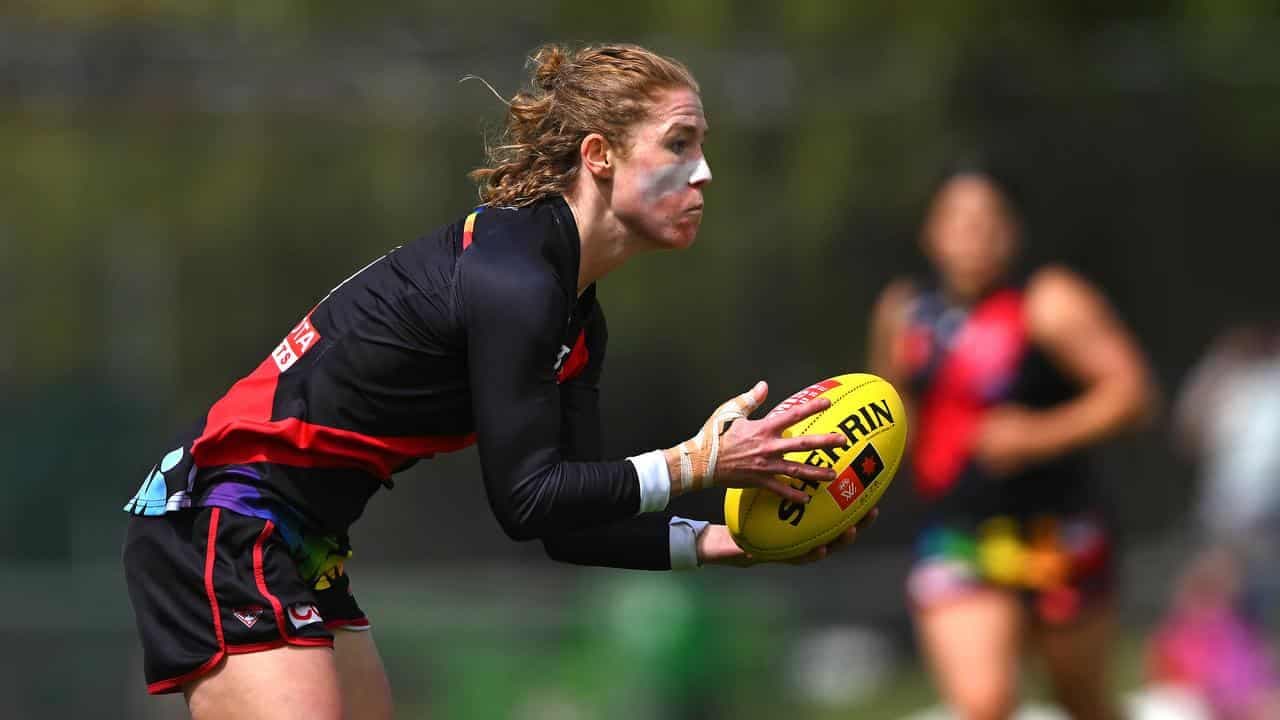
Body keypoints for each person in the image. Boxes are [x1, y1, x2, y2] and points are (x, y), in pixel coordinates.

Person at [121, 43, 870, 719]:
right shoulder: (516, 281)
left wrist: (726, 543)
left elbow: (565, 524)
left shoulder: (573, 313)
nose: (704, 170)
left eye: (702, 146)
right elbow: (524, 498)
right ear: (600, 154)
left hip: (298, 540)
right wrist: (694, 465)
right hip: (223, 518)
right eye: (680, 144)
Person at [867, 169, 1154, 720]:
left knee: (1083, 701)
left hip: (1060, 534)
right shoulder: (904, 313)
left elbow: (1132, 393)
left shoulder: (1050, 301)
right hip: (961, 534)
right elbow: (891, 413)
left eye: (989, 220)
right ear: (932, 233)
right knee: (984, 703)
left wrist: (1040, 434)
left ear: (1013, 230)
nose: (976, 234)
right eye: (960, 220)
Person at [1147, 323, 1280, 720]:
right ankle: (1234, 696)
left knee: (1254, 613)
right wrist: (1218, 368)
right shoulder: (1229, 382)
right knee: (1217, 608)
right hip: (1229, 516)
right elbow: (1190, 432)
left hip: (1266, 521)